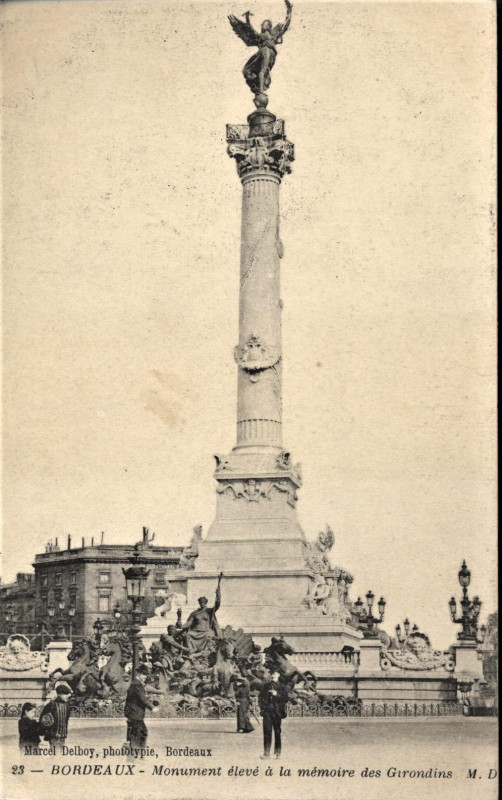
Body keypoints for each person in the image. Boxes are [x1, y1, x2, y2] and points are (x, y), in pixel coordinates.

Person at [182, 577, 222, 654]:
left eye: (203, 602)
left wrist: (218, 595)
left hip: (206, 631)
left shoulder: (209, 611)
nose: (202, 603)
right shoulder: (195, 613)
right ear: (199, 603)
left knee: (210, 635)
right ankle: (191, 651)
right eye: (201, 602)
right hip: (195, 632)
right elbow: (189, 623)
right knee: (187, 635)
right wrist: (182, 626)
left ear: (206, 603)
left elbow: (217, 604)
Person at [124, 664, 159, 749]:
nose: (145, 677)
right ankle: (136, 750)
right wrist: (152, 707)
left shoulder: (136, 684)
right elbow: (142, 698)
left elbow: (140, 697)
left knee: (140, 732)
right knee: (140, 733)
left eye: (146, 675)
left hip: (134, 712)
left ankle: (135, 747)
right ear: (138, 674)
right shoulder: (137, 684)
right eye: (143, 674)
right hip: (135, 712)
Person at [258, 670, 288, 759]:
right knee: (267, 732)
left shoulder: (282, 687)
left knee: (277, 732)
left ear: (278, 675)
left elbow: (286, 699)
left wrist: (277, 694)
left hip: (277, 712)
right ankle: (266, 753)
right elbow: (260, 697)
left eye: (274, 673)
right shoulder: (266, 686)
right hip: (267, 712)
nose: (272, 675)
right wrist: (263, 708)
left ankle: (278, 753)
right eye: (271, 674)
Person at [39, 684, 72, 753]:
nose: (68, 696)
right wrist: (47, 732)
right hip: (54, 736)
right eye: (65, 694)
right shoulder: (51, 705)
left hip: (63, 736)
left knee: (61, 756)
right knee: (55, 755)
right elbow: (44, 719)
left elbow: (66, 720)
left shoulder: (67, 706)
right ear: (59, 694)